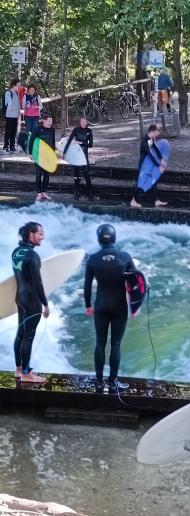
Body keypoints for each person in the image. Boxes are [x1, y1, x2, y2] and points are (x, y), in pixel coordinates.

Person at [84, 224, 136, 394]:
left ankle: (99, 381)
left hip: (101, 305)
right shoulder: (125, 257)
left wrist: (88, 306)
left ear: (99, 239)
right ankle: (113, 382)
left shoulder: (92, 259)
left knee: (100, 343)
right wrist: (135, 306)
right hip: (119, 306)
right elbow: (136, 284)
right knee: (116, 344)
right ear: (114, 238)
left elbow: (86, 286)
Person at [12, 222, 50, 383]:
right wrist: (45, 304)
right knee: (28, 336)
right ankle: (27, 374)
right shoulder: (33, 256)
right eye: (40, 233)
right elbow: (37, 283)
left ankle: (19, 369)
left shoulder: (16, 252)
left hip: (20, 298)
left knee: (20, 334)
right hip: (32, 301)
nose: (43, 236)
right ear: (31, 234)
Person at [130, 124, 168, 208]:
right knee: (141, 184)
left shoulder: (150, 138)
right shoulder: (145, 141)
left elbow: (155, 148)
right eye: (157, 132)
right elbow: (151, 155)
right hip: (144, 166)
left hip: (149, 165)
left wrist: (161, 158)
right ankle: (134, 201)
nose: (158, 134)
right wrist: (159, 165)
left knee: (153, 182)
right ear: (153, 131)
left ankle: (156, 200)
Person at [63, 117, 94, 200]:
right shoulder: (76, 129)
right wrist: (64, 152)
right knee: (76, 175)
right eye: (82, 122)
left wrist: (82, 143)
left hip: (84, 155)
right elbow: (69, 140)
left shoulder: (89, 131)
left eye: (85, 122)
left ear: (87, 123)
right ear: (80, 122)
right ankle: (77, 193)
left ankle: (90, 193)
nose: (84, 123)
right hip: (76, 155)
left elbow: (91, 144)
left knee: (87, 175)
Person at [29, 115, 56, 201]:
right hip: (39, 156)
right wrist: (30, 153)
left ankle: (44, 192)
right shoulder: (37, 129)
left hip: (48, 156)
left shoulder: (52, 130)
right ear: (44, 121)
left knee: (47, 176)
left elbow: (53, 142)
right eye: (49, 121)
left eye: (51, 121)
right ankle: (39, 193)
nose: (50, 123)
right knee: (38, 175)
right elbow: (31, 141)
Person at [2, 78, 21, 154]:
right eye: (18, 85)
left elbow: (17, 104)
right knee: (8, 132)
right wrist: (11, 109)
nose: (19, 87)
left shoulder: (16, 93)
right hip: (9, 115)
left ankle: (12, 147)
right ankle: (5, 147)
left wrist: (18, 113)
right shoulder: (8, 92)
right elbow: (9, 103)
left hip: (15, 116)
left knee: (13, 132)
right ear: (14, 85)